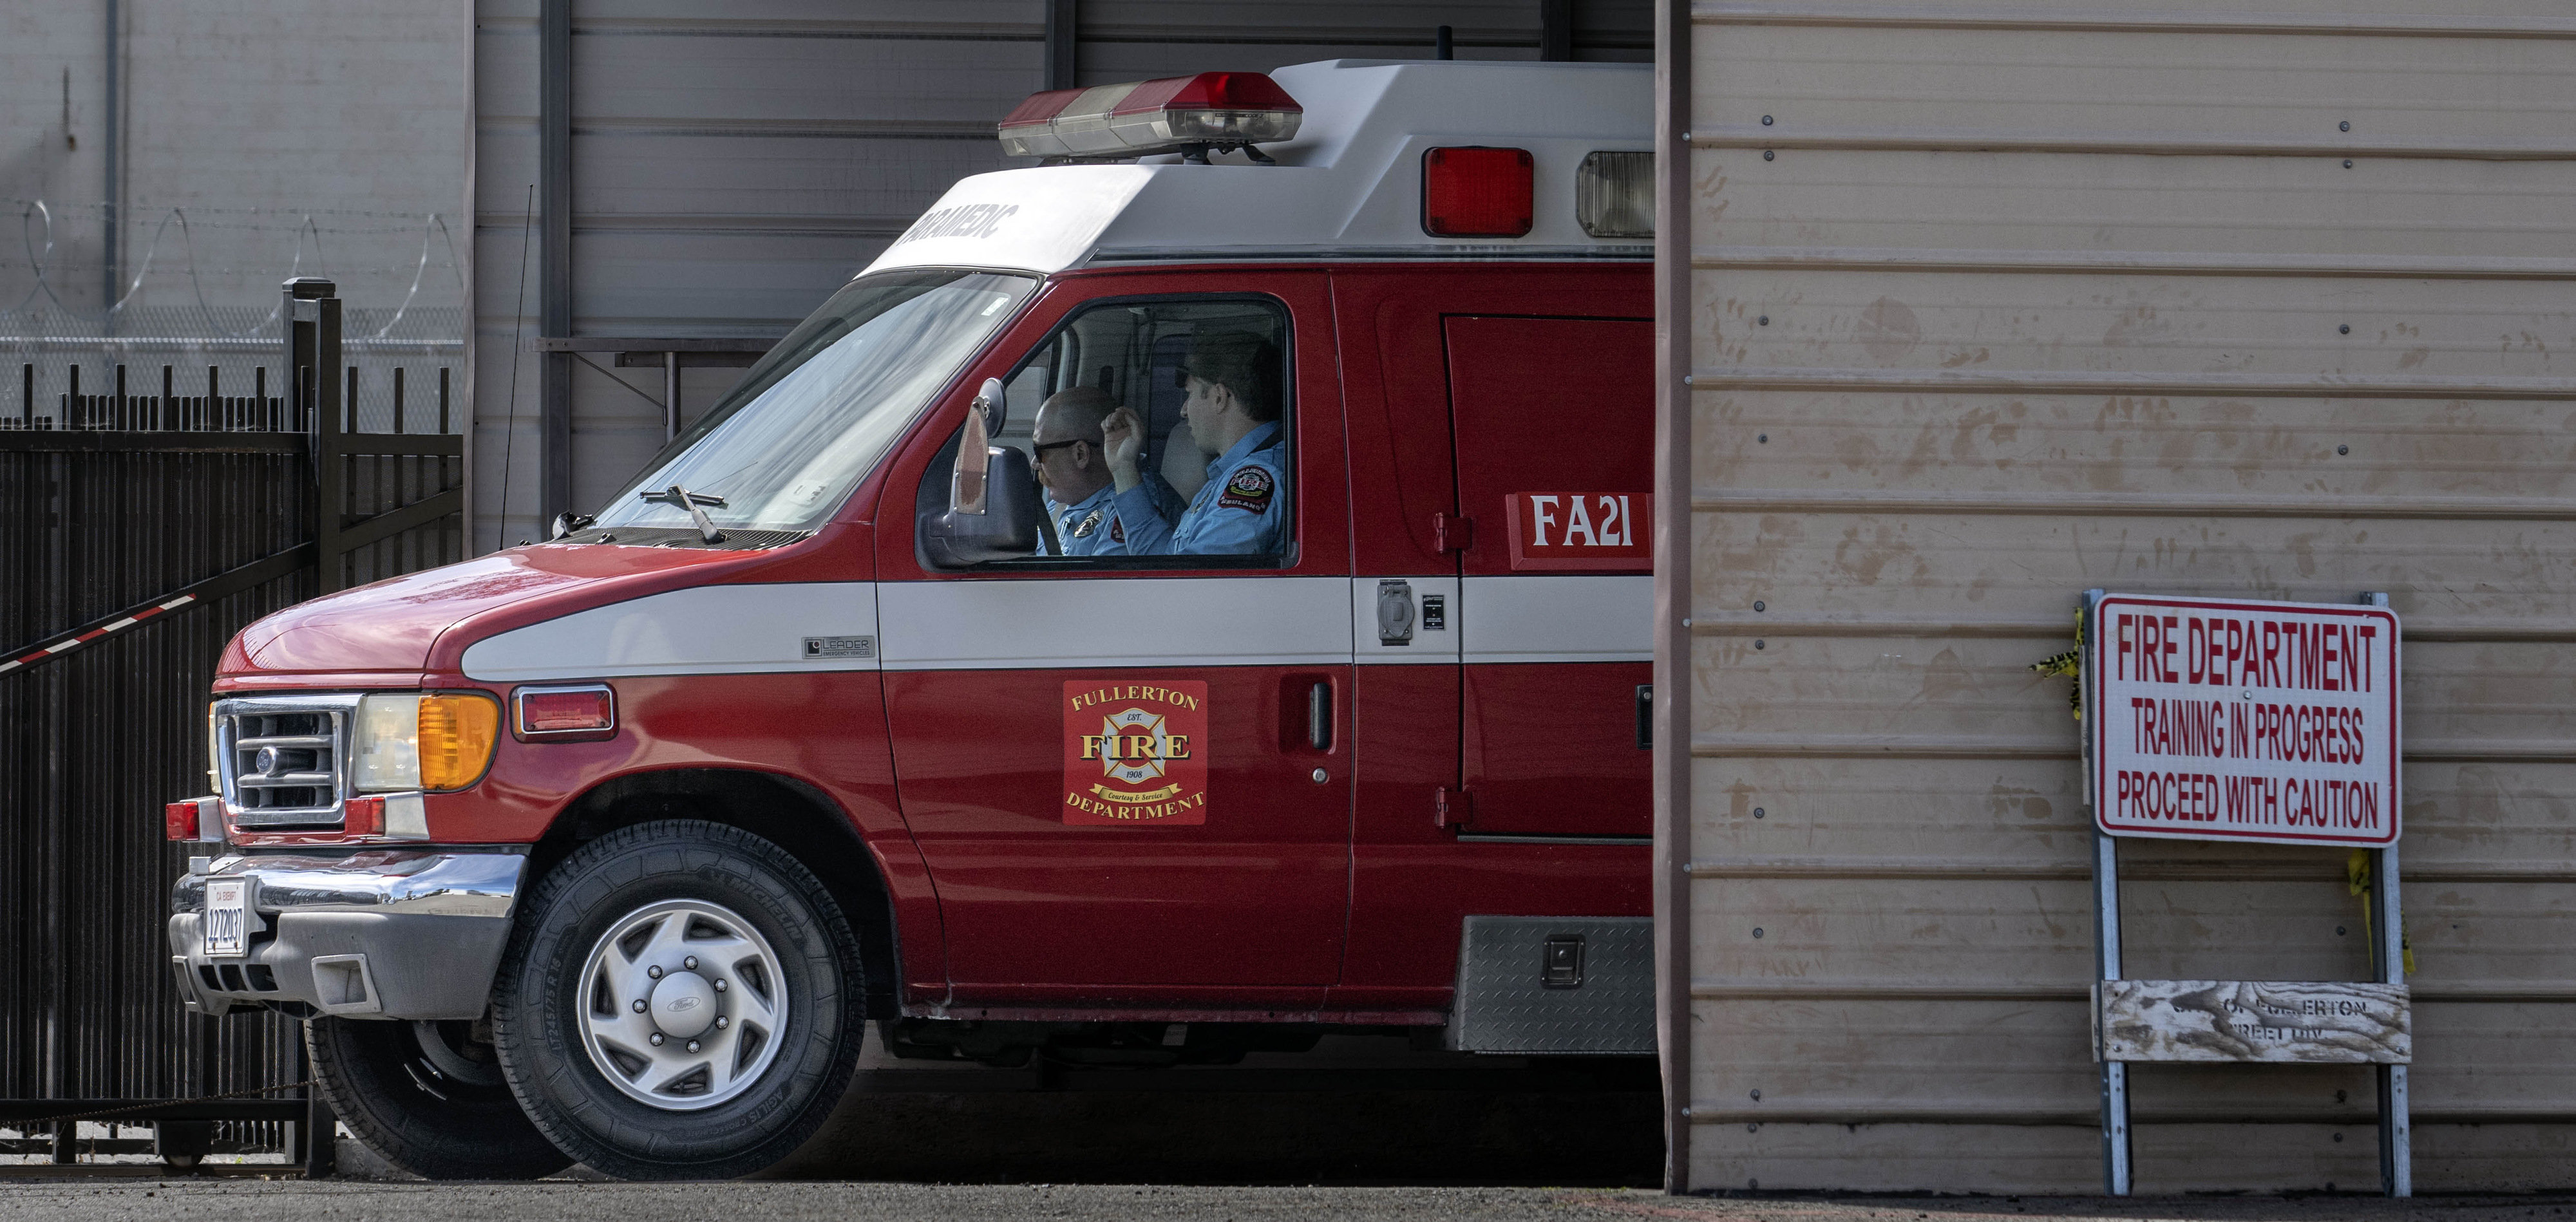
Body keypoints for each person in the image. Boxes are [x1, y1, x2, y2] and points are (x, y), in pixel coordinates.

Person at [1098, 332, 1287, 556]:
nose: (1183, 410)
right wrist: (1124, 469)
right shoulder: (1233, 474)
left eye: (1190, 394)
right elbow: (1167, 564)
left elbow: (1192, 576)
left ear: (1220, 397)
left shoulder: (1256, 480)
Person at [1027, 386, 1177, 555]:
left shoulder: (1136, 509)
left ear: (1080, 454)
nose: (1035, 463)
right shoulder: (1066, 501)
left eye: (1040, 452)